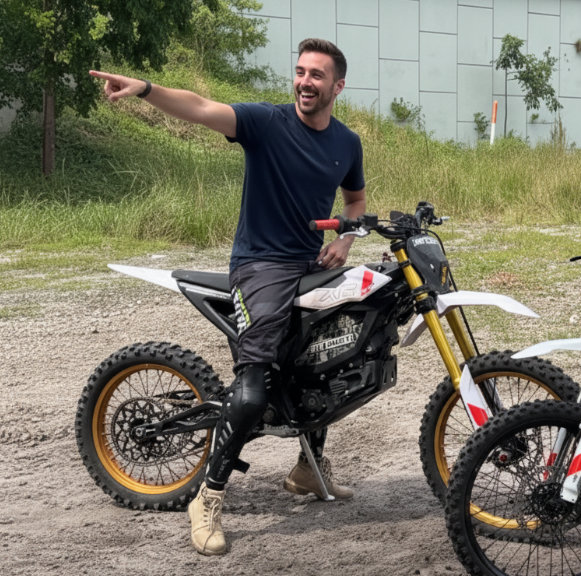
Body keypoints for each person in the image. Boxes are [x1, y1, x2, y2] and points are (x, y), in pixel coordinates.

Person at [90, 38, 366, 556]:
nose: (305, 82)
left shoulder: (346, 143)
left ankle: (308, 468)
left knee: (332, 361)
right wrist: (145, 89)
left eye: (317, 75)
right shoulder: (267, 123)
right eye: (301, 71)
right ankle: (208, 496)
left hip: (310, 264)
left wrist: (346, 238)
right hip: (260, 265)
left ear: (337, 86)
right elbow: (199, 107)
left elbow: (355, 198)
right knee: (256, 386)